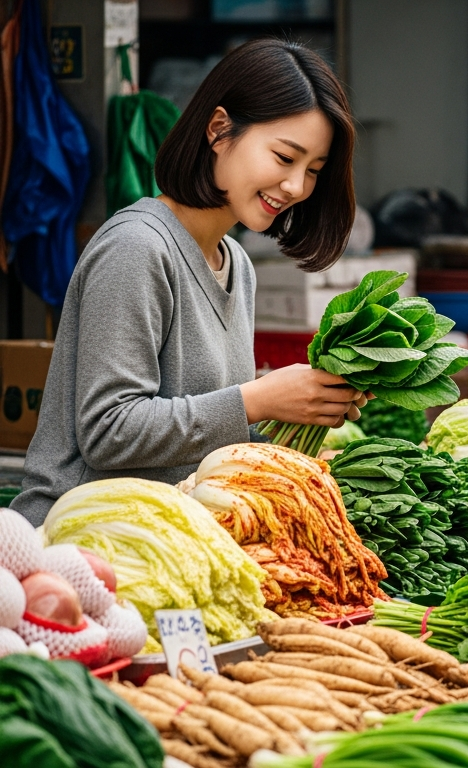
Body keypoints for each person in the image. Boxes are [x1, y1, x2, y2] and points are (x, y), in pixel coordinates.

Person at [13, 39, 363, 525]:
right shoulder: (136, 247)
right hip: (80, 540)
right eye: (285, 157)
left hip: (168, 538)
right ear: (220, 130)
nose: (297, 186)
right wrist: (259, 399)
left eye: (313, 171)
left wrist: (296, 425)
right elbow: (109, 431)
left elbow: (197, 441)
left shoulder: (237, 263)